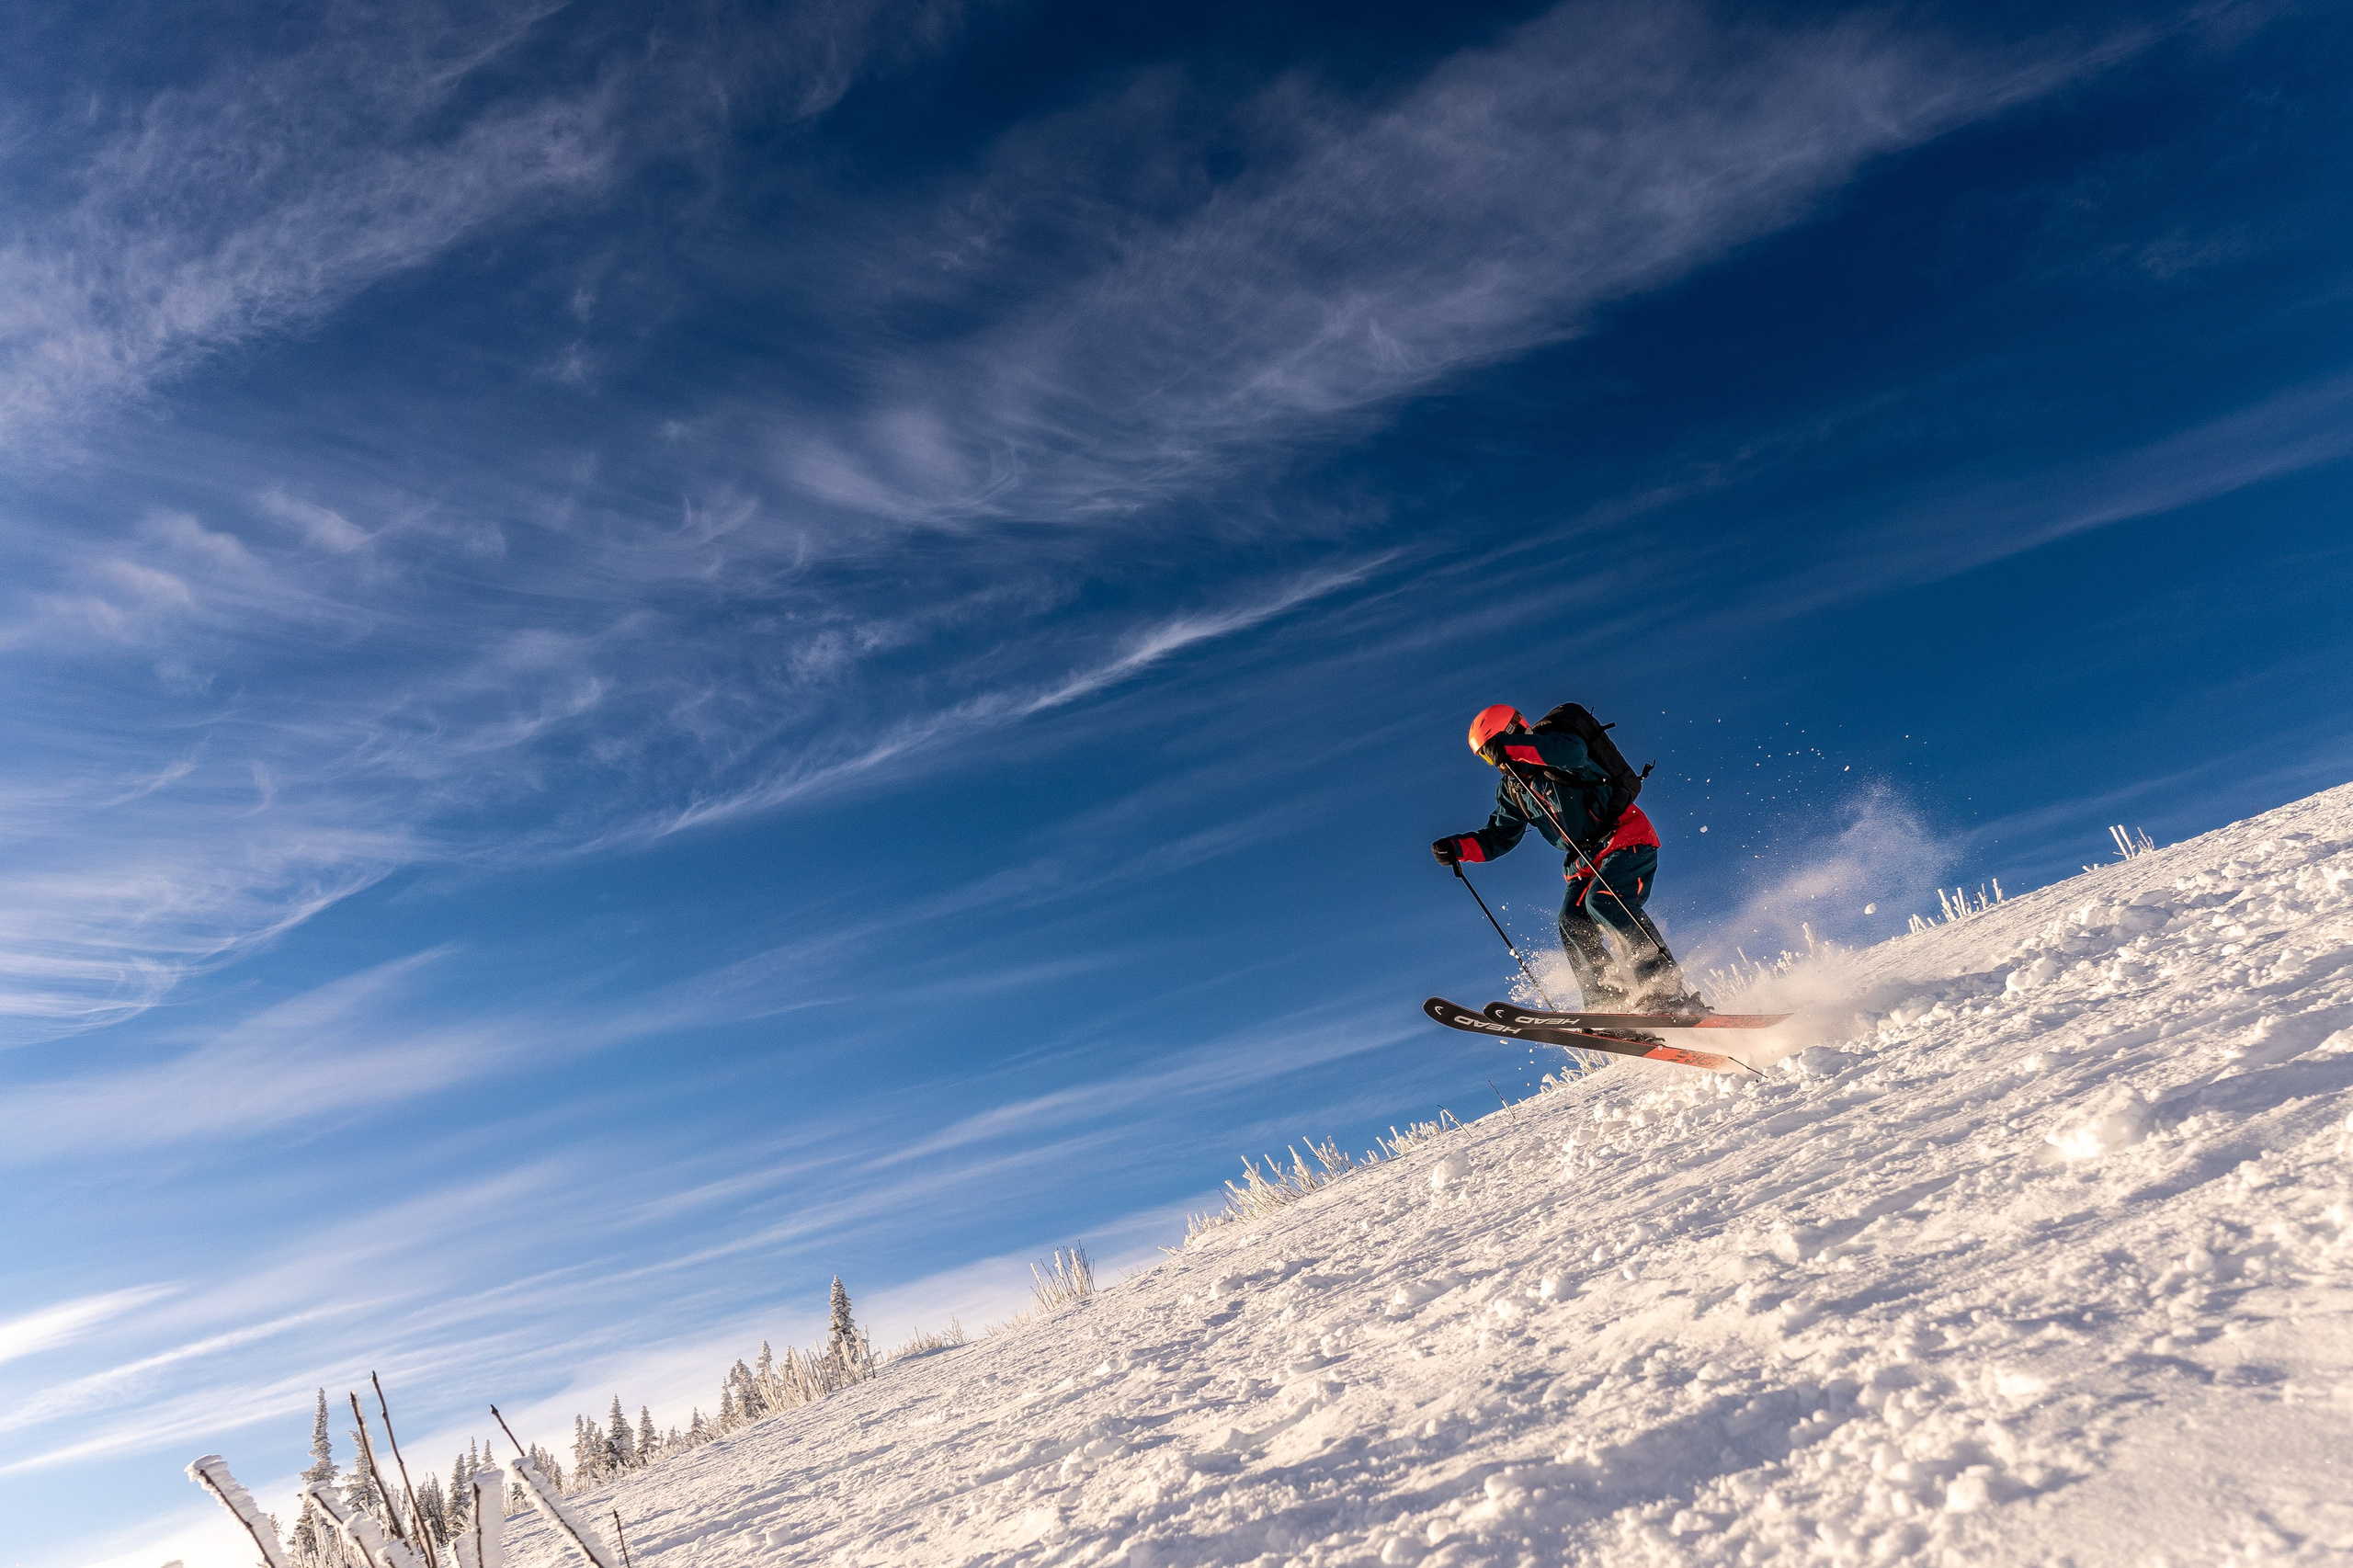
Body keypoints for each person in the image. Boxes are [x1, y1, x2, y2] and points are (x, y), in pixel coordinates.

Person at [1431, 702, 1700, 1012]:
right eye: (1484, 756)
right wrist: (1457, 848)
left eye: (1491, 748)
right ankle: (1607, 1005)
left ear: (1512, 731)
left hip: (1625, 839)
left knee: (1604, 901)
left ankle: (1662, 988)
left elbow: (1572, 753)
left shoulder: (1557, 747)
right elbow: (1500, 836)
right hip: (1583, 862)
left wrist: (1513, 748)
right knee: (1571, 921)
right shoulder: (1514, 789)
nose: (1493, 760)